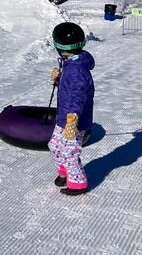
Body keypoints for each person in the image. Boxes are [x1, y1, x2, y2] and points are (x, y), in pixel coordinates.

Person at [48, 22, 95, 196]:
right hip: (64, 116)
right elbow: (69, 89)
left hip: (73, 119)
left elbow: (79, 95)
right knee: (54, 145)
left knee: (69, 151)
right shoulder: (70, 63)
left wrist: (73, 118)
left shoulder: (77, 70)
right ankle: (65, 172)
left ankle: (78, 183)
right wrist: (58, 79)